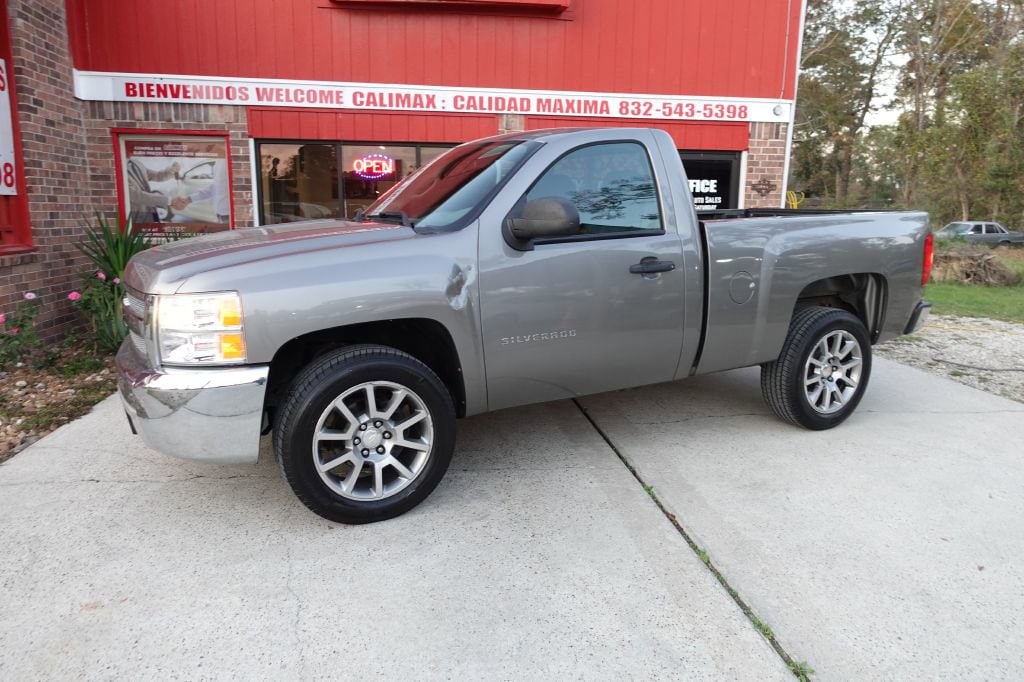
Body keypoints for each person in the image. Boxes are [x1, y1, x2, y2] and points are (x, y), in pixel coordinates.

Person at [170, 157, 231, 224]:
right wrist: (188, 199)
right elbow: (215, 187)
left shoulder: (229, 159)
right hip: (221, 213)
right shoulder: (219, 162)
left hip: (230, 215)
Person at [126, 158, 180, 224]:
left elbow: (157, 175)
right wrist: (169, 201)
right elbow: (137, 196)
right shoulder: (118, 170)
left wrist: (171, 171)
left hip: (150, 211)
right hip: (136, 216)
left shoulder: (135, 162)